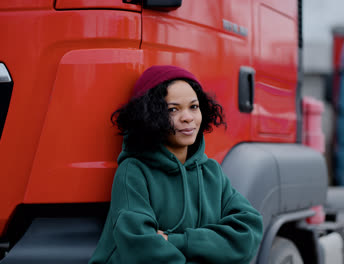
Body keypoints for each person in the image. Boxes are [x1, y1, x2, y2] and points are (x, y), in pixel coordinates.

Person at [89, 65, 263, 264]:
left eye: (194, 107)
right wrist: (213, 248)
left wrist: (177, 241)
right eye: (173, 109)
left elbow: (248, 231)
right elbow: (141, 248)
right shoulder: (134, 171)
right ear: (150, 115)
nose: (188, 117)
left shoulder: (211, 172)